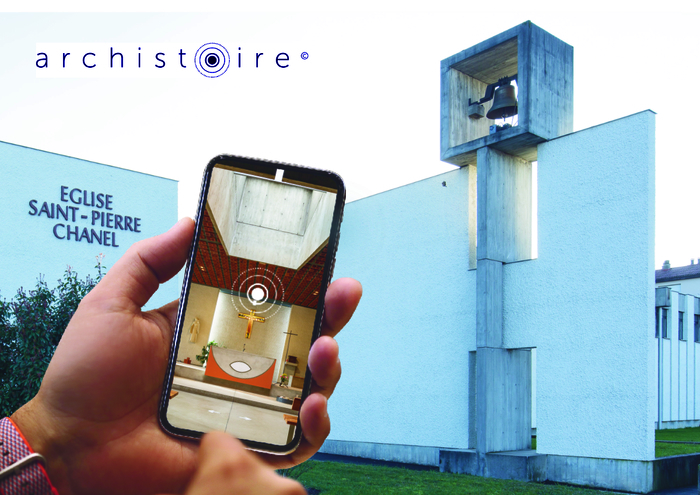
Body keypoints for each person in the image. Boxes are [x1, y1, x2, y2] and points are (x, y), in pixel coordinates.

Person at [5, 218, 362, 495]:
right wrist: (53, 433)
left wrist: (50, 440)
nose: (252, 318)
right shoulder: (234, 317)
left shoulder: (255, 316)